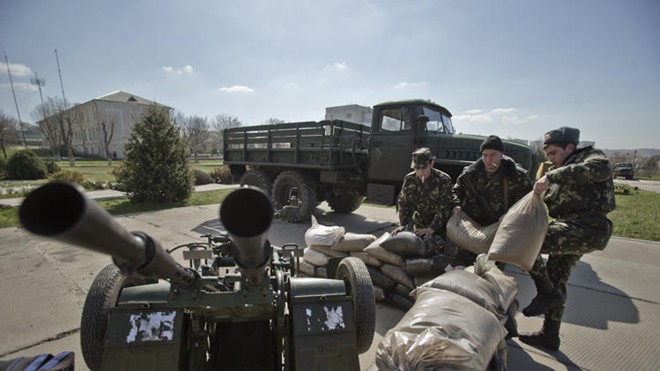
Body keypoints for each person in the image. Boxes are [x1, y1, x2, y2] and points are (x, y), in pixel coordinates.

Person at [518, 126, 615, 351]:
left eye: (553, 153)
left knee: (526, 242)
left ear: (569, 147)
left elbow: (599, 169)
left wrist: (550, 176)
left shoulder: (592, 158)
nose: (550, 159)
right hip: (568, 226)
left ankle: (545, 292)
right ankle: (550, 334)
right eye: (547, 155)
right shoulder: (561, 167)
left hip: (587, 227)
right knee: (556, 277)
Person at [451, 135, 532, 265]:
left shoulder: (516, 176)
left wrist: (510, 215)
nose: (488, 160)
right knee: (462, 268)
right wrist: (457, 204)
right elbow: (456, 190)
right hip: (471, 229)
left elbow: (526, 204)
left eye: (493, 155)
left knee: (492, 272)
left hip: (497, 231)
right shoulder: (470, 173)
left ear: (501, 154)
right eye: (485, 155)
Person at [392, 148, 453, 247]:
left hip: (440, 226)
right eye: (417, 168)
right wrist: (403, 224)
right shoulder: (409, 179)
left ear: (432, 163)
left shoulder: (443, 180)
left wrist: (432, 228)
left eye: (424, 168)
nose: (420, 172)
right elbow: (404, 203)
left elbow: (444, 207)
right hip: (419, 224)